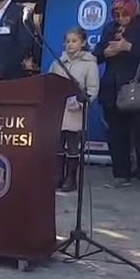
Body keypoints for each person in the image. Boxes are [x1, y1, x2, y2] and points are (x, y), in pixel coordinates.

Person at [95, 0, 140, 193]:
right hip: (113, 89)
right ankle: (121, 173)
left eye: (124, 13)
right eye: (116, 13)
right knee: (117, 135)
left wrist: (128, 47)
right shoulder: (109, 28)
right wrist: (106, 53)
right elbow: (97, 53)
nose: (120, 17)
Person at [49, 28, 100, 193]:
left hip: (76, 111)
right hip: (59, 109)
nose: (70, 44)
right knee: (58, 144)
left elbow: (92, 88)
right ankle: (57, 175)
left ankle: (71, 179)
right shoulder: (58, 62)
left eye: (74, 41)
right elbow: (50, 81)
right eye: (68, 41)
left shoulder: (90, 64)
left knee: (73, 145)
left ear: (83, 43)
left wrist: (81, 102)